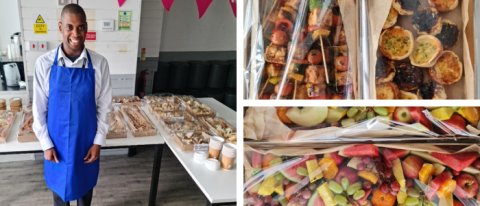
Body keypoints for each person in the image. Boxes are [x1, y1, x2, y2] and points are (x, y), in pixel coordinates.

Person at [32, 3, 112, 206]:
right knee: (60, 194)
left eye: (81, 27)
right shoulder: (44, 64)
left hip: (86, 144)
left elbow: (104, 106)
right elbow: (39, 109)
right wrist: (46, 143)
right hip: (56, 145)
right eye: (69, 27)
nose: (75, 33)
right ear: (60, 27)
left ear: (86, 27)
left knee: (85, 194)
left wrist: (98, 142)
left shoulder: (100, 64)